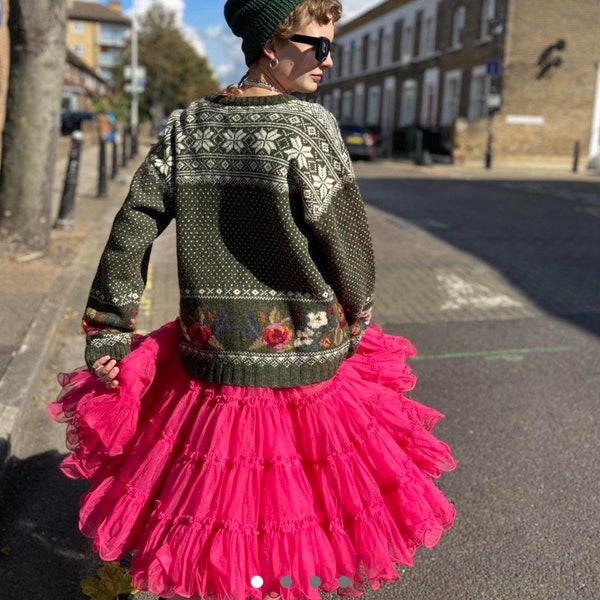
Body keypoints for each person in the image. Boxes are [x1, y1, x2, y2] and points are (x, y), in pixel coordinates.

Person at [48, 1, 456, 599]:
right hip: (303, 363)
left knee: (221, 519)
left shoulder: (188, 127)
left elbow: (134, 222)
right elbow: (349, 249)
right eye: (316, 45)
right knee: (292, 520)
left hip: (209, 362)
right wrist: (357, 316)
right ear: (271, 43)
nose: (328, 59)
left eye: (329, 45)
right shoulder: (306, 127)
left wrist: (109, 327)